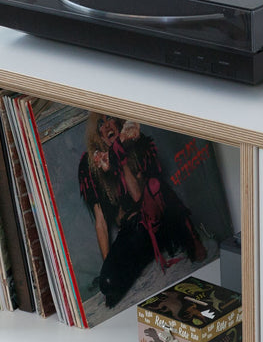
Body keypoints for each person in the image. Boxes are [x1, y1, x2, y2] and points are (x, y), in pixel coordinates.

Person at [78, 115, 207, 306]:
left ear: (119, 122)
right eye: (100, 124)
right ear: (97, 135)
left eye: (109, 119)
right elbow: (101, 222)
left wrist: (119, 156)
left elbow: (139, 195)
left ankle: (192, 238)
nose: (106, 126)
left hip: (160, 220)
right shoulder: (91, 165)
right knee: (109, 283)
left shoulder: (137, 142)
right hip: (135, 231)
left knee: (155, 184)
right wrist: (109, 265)